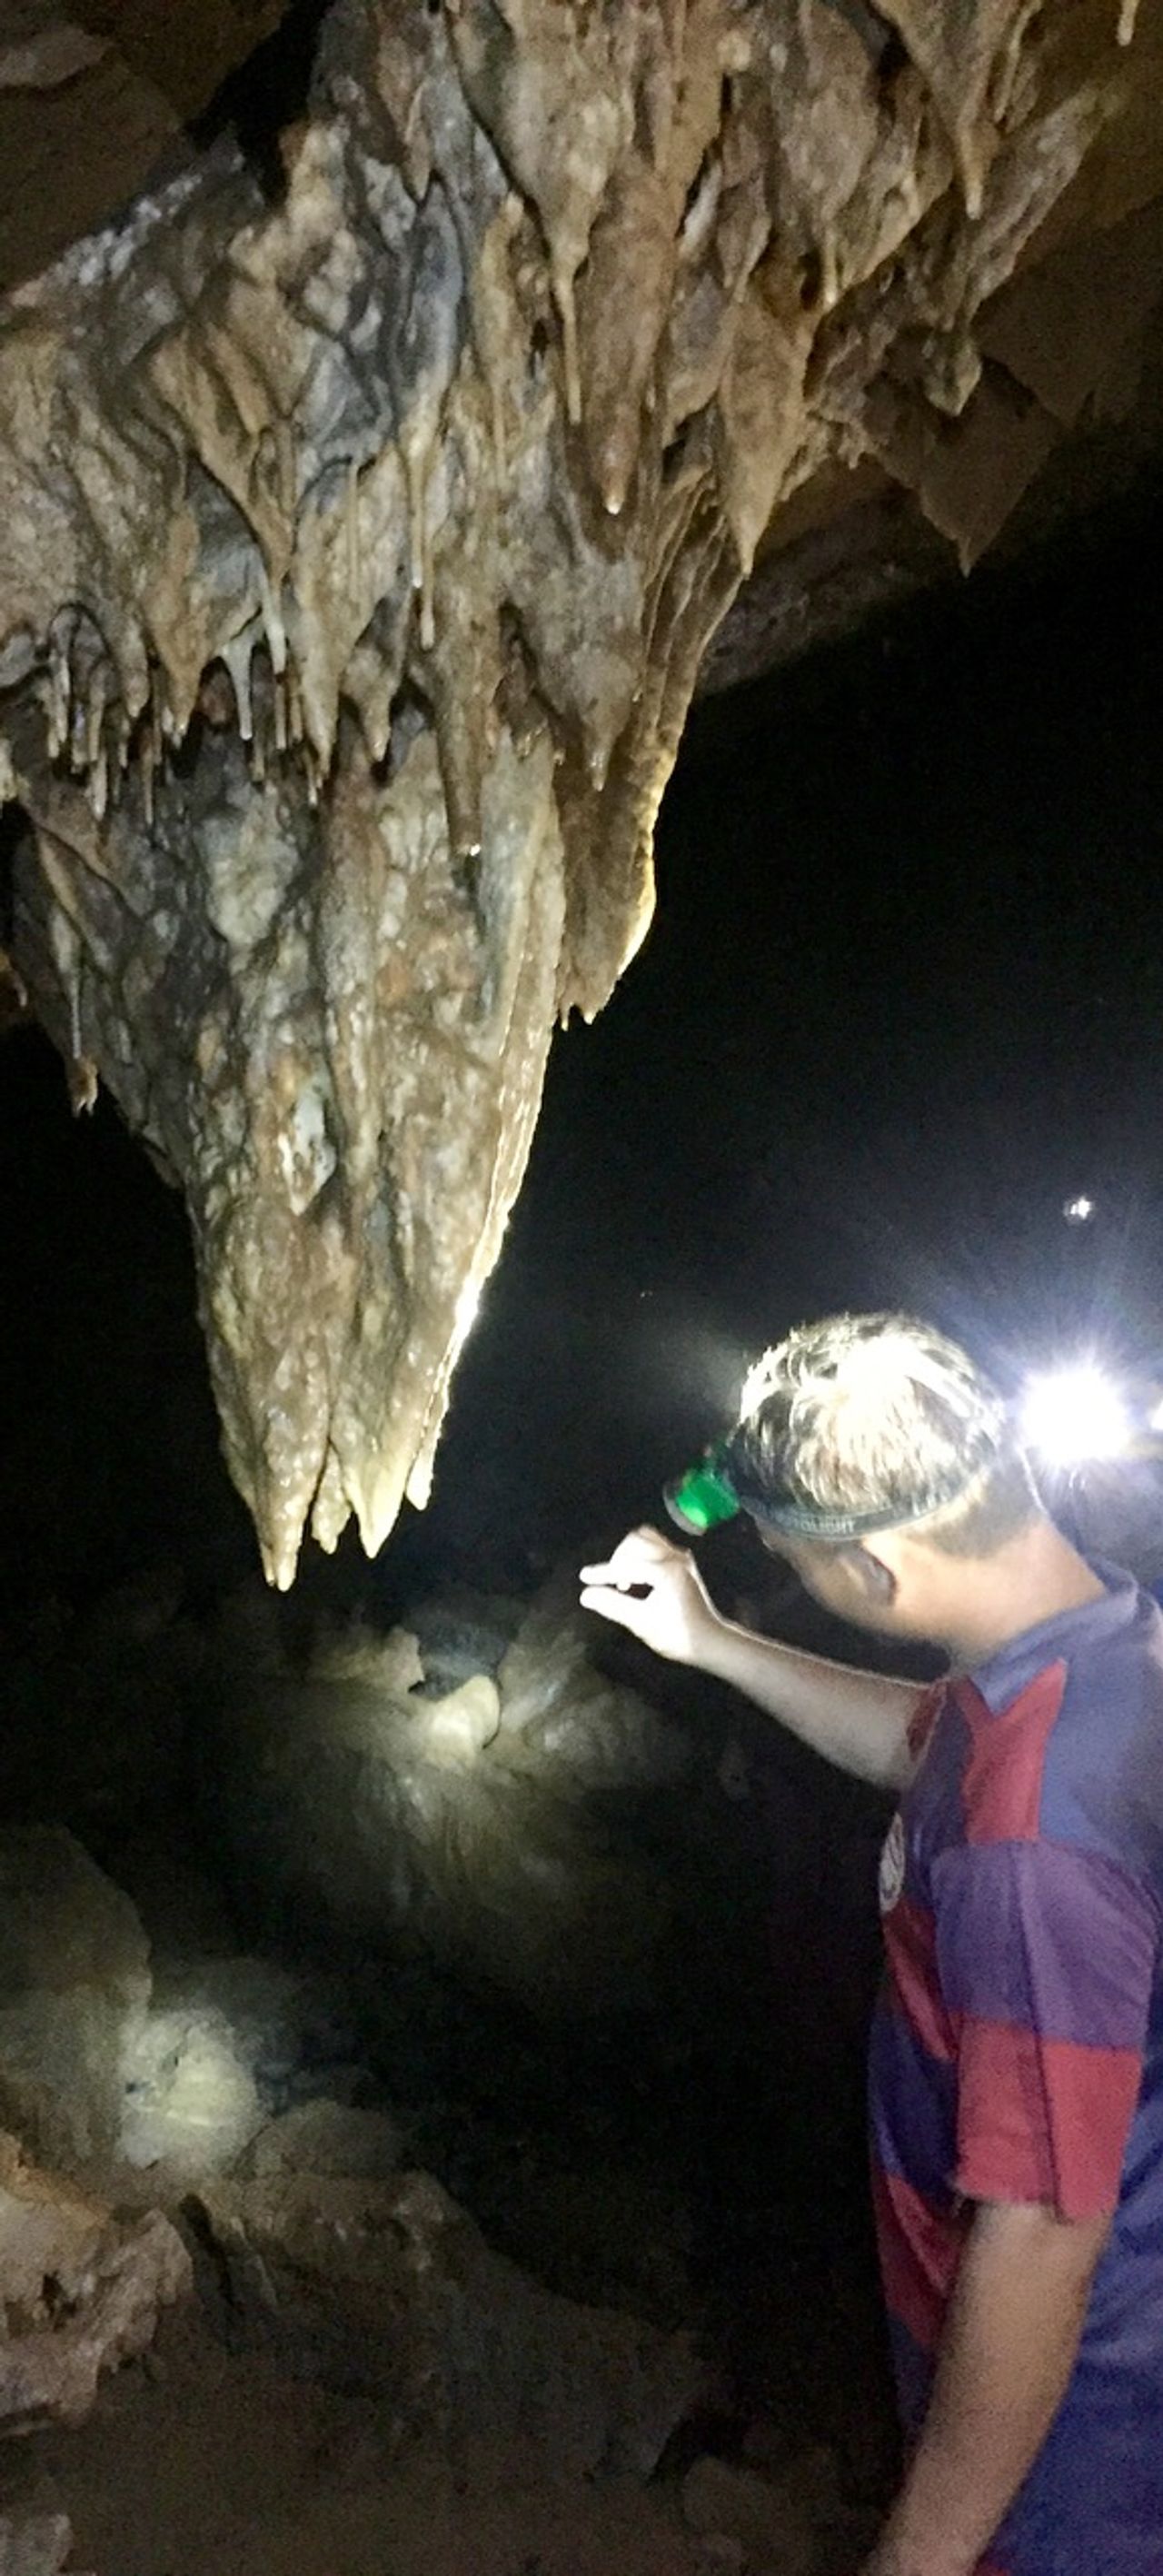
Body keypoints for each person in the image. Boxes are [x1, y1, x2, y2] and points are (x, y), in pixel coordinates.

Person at [580, 1312, 1163, 2576]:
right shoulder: (1096, 1648)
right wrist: (716, 1641)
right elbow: (930, 1750)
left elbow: (1040, 2232)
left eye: (804, 1562)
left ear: (883, 1575)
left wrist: (923, 2558)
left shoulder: (1035, 1853)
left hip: (1080, 2444)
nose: (801, 1579)